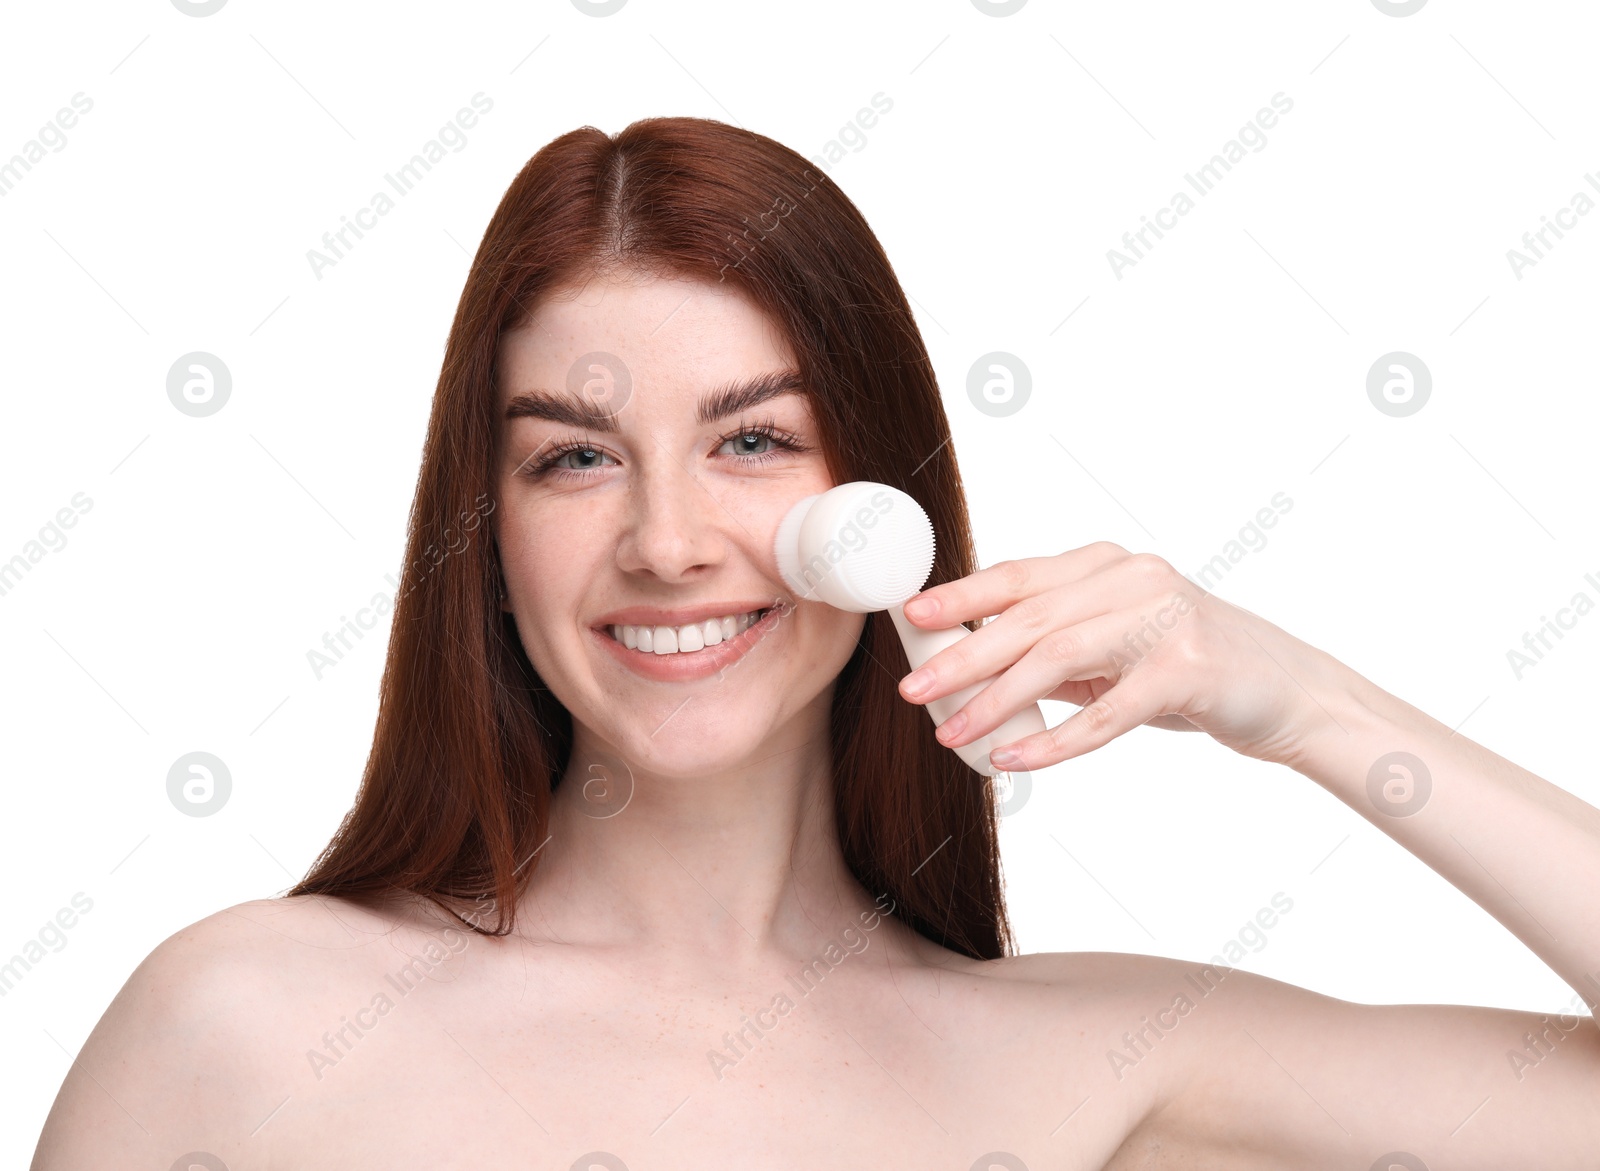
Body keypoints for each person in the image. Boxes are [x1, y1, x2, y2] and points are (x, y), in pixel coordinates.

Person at [33, 117, 1600, 1169]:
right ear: (486, 530)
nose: (664, 540)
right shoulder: (239, 1024)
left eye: (755, 442)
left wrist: (1295, 699)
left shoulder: (1104, 1065)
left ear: (882, 499)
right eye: (573, 457)